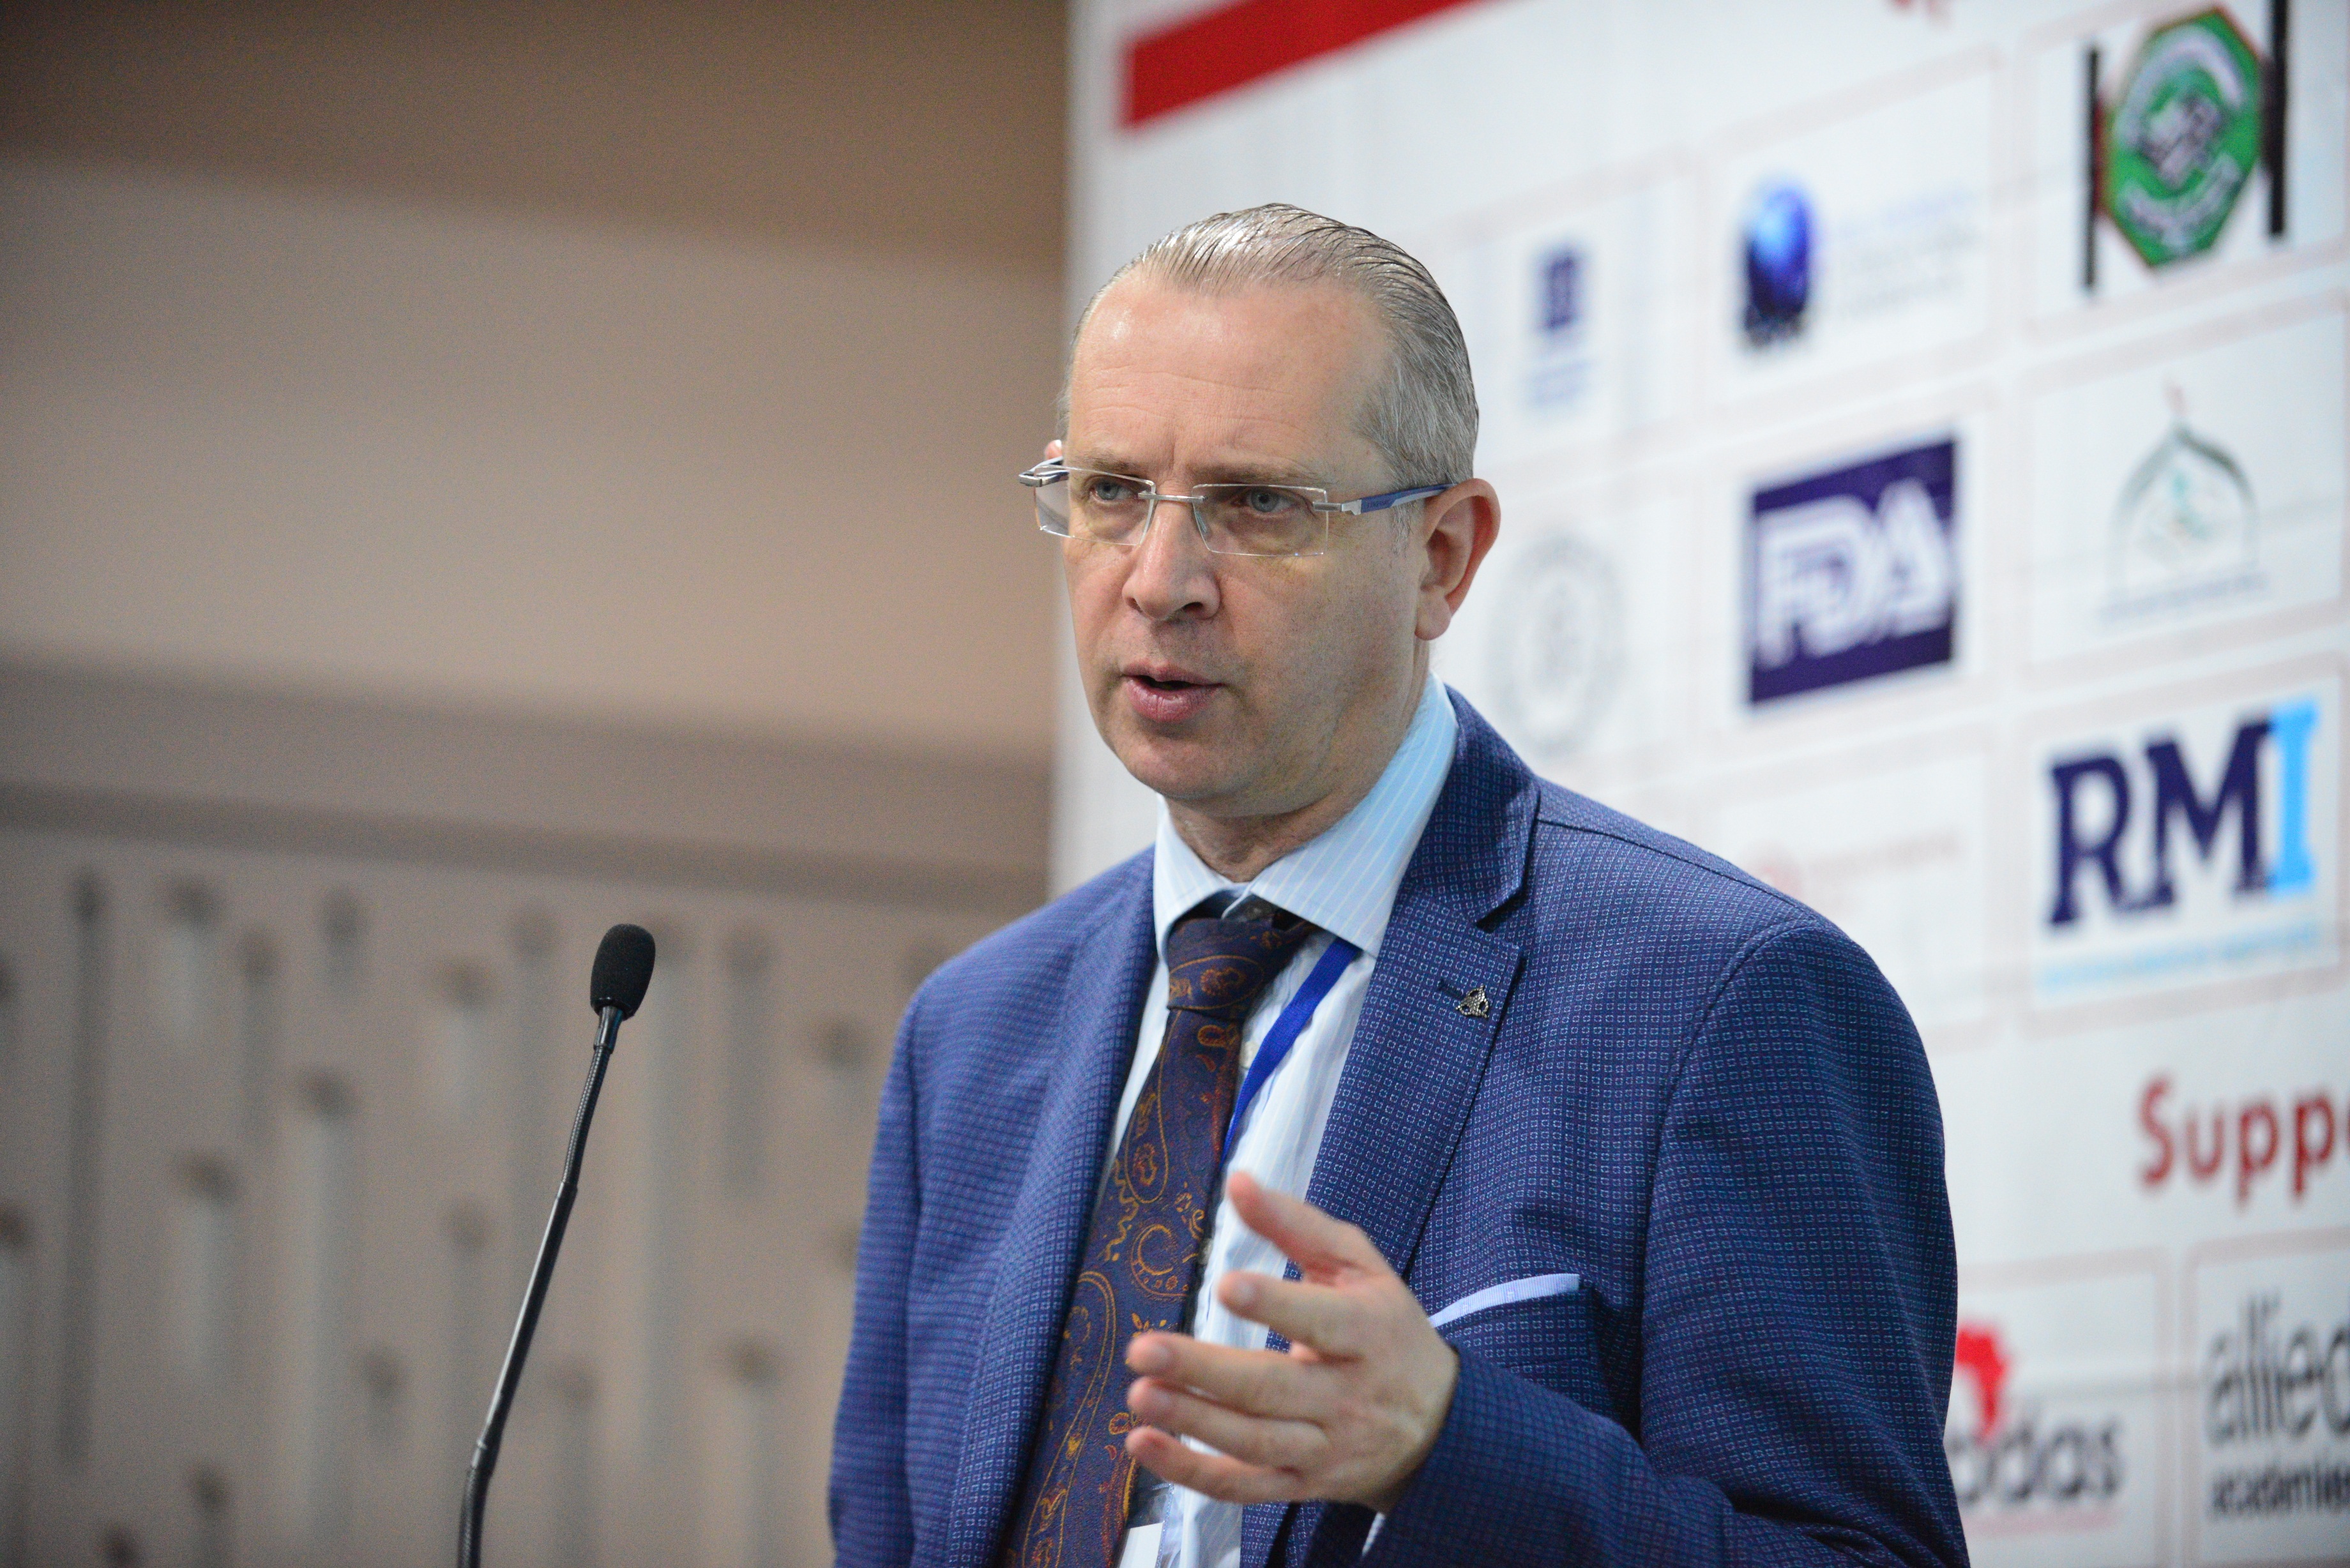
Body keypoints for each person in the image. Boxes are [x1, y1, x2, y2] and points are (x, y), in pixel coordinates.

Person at [830, 204, 1967, 1568]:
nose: (1160, 581)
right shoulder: (972, 1035)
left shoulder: (1718, 1002)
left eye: (1257, 505)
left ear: (1441, 558)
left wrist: (1451, 1444)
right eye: (1111, 492)